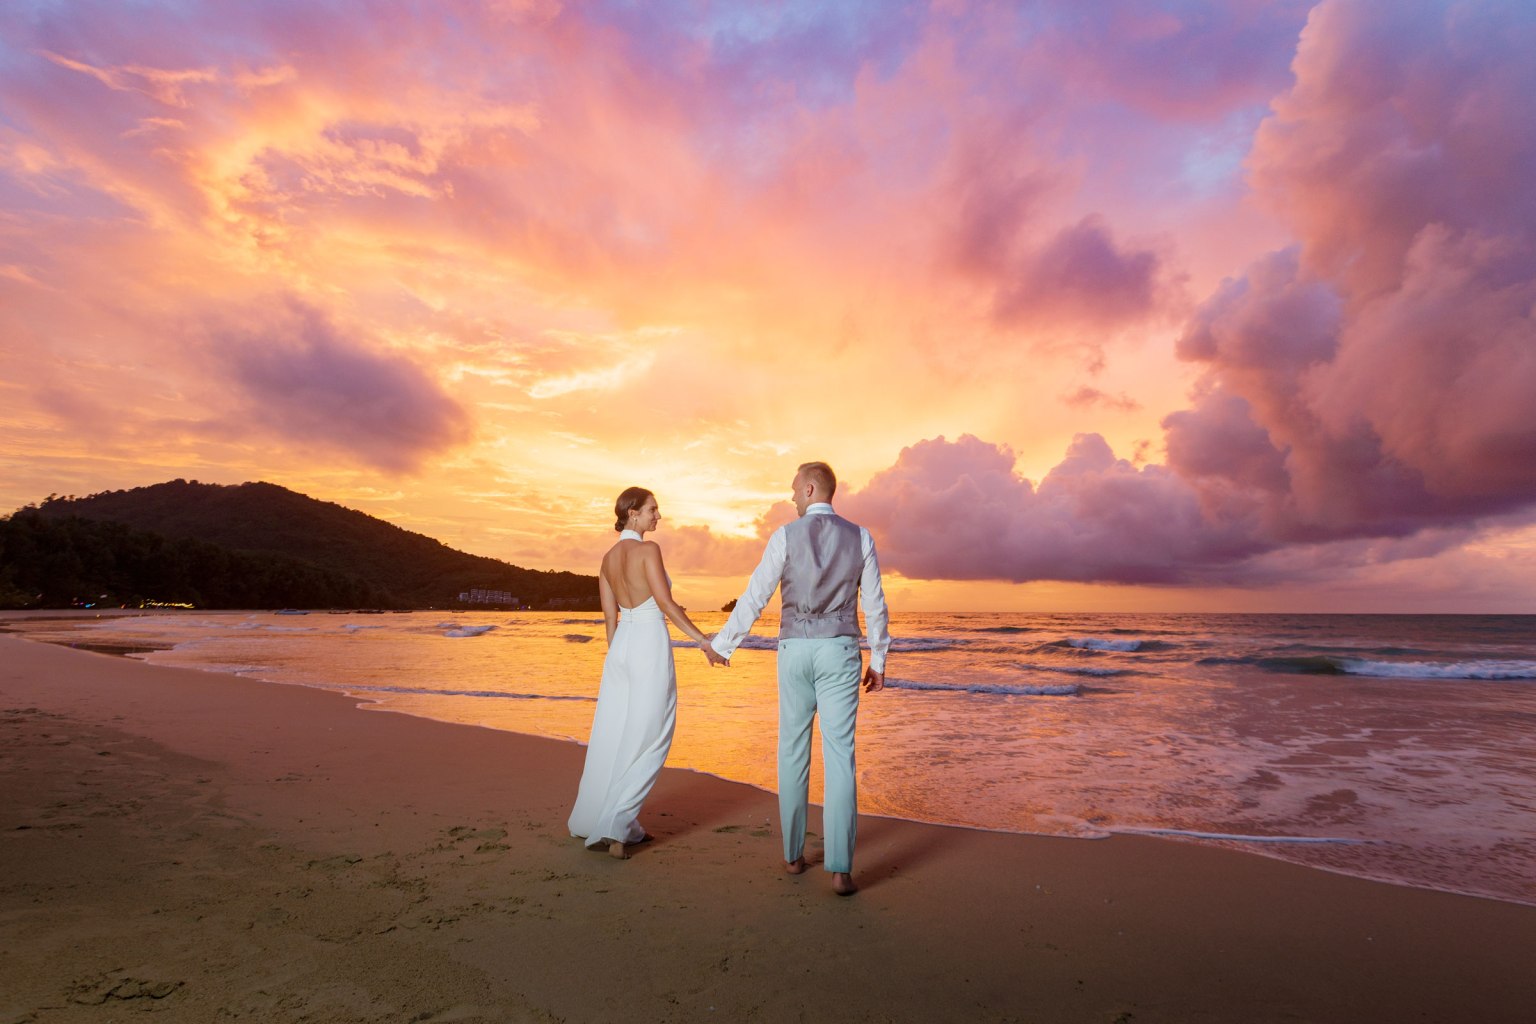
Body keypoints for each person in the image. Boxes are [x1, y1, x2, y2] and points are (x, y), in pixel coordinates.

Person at [711, 462, 890, 895]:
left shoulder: (784, 537)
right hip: (840, 651)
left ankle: (793, 857)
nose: (792, 497)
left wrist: (723, 643)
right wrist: (879, 659)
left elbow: (757, 594)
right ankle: (841, 870)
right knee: (840, 755)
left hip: (794, 651)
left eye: (794, 490)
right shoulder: (861, 537)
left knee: (792, 750)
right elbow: (876, 604)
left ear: (811, 488)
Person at [568, 486, 726, 858]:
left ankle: (603, 819)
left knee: (615, 733)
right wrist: (704, 641)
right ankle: (616, 826)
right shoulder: (648, 550)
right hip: (648, 645)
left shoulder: (607, 559)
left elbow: (611, 619)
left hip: (621, 647)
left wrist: (618, 660)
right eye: (653, 509)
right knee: (652, 734)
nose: (659, 516)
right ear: (633, 513)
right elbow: (666, 603)